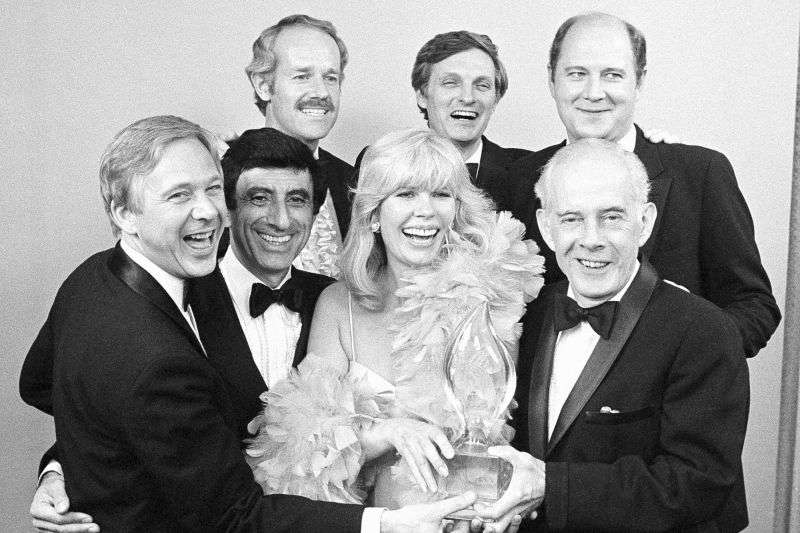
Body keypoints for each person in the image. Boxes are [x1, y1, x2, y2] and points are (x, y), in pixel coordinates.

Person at [19, 115, 476, 532]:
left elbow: (68, 393)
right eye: (258, 199)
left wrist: (71, 465)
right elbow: (73, 389)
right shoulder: (168, 303)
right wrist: (63, 468)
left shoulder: (335, 300)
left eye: (297, 200)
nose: (279, 219)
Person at [246, 129, 544, 521]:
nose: (426, 212)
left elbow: (491, 440)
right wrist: (388, 432)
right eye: (405, 194)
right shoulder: (338, 305)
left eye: (441, 194)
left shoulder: (487, 300)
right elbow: (303, 453)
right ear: (373, 213)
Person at [478, 139, 750, 532]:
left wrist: (551, 486)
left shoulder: (705, 331)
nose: (591, 238)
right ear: (545, 228)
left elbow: (699, 484)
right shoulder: (526, 315)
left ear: (646, 222)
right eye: (571, 218)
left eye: (611, 218)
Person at [511, 12, 780, 357]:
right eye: (577, 74)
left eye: (613, 75)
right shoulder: (520, 178)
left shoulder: (700, 173)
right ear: (552, 81)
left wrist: (688, 354)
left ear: (638, 82)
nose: (594, 93)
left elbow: (754, 307)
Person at [240, 14, 355, 277]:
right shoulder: (222, 175)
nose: (321, 92)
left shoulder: (354, 183)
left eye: (330, 78)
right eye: (302, 76)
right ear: (263, 86)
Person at [410, 31, 531, 220]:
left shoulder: (528, 173)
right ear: (422, 96)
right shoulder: (384, 164)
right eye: (451, 83)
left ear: (496, 99)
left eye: (482, 85)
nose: (467, 98)